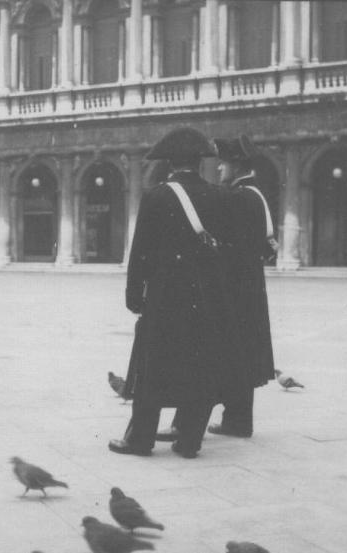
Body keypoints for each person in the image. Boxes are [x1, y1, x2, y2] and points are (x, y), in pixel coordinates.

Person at [108, 128, 247, 459]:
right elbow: (230, 252)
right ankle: (189, 440)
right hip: (209, 297)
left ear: (170, 162)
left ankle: (140, 439)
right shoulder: (221, 197)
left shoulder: (157, 196)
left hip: (166, 297)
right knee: (201, 366)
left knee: (153, 365)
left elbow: (140, 251)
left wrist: (134, 293)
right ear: (200, 162)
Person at [156, 135, 276, 441]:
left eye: (223, 163)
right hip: (250, 288)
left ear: (235, 165)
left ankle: (186, 424)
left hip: (230, 289)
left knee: (206, 354)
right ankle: (237, 420)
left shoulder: (234, 197)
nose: (219, 168)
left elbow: (220, 243)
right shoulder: (256, 195)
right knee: (242, 354)